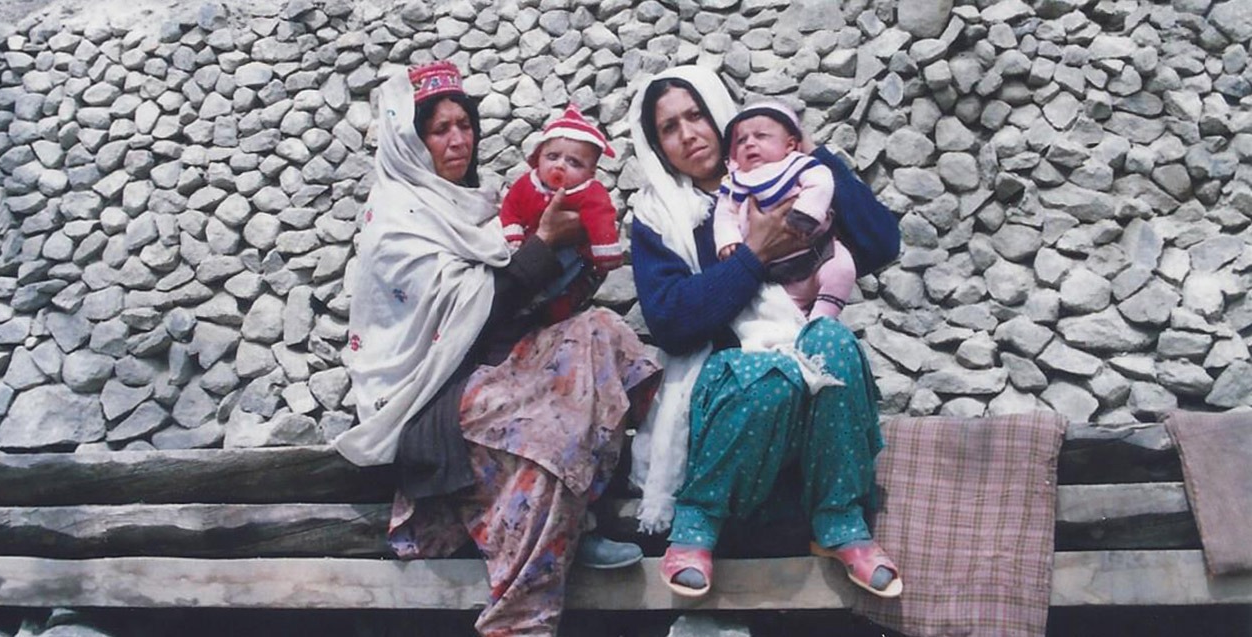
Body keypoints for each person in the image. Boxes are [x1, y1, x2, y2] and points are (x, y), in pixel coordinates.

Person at [336, 61, 660, 636]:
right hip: (435, 395)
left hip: (500, 367)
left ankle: (611, 498)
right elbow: (475, 313)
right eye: (440, 130)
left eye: (465, 125)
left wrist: (573, 258)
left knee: (604, 334)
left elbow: (521, 303)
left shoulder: (473, 205)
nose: (459, 140)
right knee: (547, 436)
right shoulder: (398, 221)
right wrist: (542, 247)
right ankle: (519, 617)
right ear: (411, 142)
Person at [626, 66, 902, 599]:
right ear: (657, 146)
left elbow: (880, 243)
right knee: (770, 374)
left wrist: (811, 158)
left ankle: (842, 525)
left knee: (835, 345)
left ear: (721, 117)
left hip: (809, 392)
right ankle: (696, 523)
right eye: (669, 128)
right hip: (726, 398)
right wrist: (754, 256)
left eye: (697, 115)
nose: (688, 134)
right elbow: (672, 322)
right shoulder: (660, 216)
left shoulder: (794, 179)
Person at [714, 100, 857, 320]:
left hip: (818, 252)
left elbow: (821, 183)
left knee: (842, 269)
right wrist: (727, 239)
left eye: (761, 136)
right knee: (772, 308)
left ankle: (821, 321)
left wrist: (805, 214)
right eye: (741, 140)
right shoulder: (736, 182)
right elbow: (725, 213)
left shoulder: (797, 165)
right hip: (775, 274)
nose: (749, 143)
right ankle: (795, 328)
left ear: (790, 145)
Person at [500, 104, 623, 324]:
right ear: (538, 158)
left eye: (574, 162)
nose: (560, 165)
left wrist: (605, 252)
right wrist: (513, 233)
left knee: (568, 280)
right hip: (530, 250)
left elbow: (602, 219)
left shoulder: (590, 193)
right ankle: (525, 306)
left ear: (590, 173)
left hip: (573, 255)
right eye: (552, 156)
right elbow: (511, 207)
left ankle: (556, 307)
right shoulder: (527, 184)